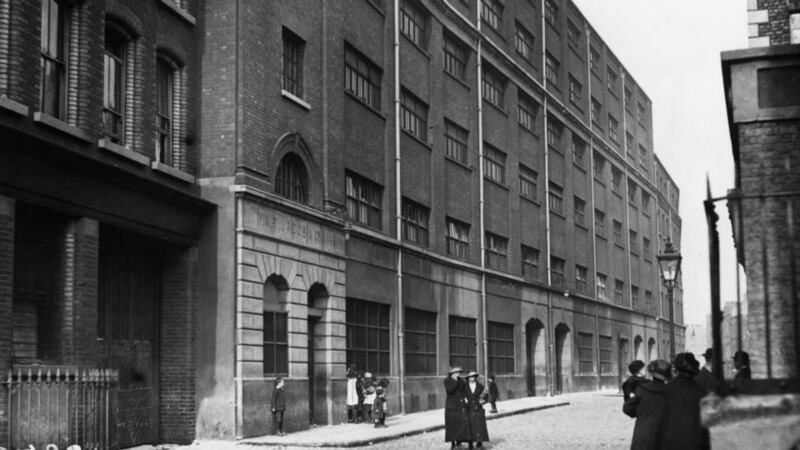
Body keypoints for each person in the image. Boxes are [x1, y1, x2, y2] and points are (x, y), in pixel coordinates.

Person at [660, 353, 710, 450]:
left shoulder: (669, 388)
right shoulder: (698, 390)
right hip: (694, 441)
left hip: (673, 441)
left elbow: (663, 418)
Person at [623, 359, 671, 450]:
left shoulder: (642, 390)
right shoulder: (671, 392)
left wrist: (638, 411)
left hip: (643, 435)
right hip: (663, 436)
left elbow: (627, 408)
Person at [444, 366, 469, 449]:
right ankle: (453, 444)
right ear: (452, 373)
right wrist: (455, 381)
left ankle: (459, 442)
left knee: (459, 425)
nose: (458, 374)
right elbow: (449, 391)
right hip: (451, 407)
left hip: (460, 406)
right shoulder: (447, 380)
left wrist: (466, 399)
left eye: (459, 372)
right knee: (451, 426)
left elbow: (464, 390)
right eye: (456, 372)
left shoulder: (461, 380)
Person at [463, 371, 490, 449]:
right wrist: (464, 400)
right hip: (469, 408)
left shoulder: (480, 386)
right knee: (470, 427)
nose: (472, 378)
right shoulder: (465, 387)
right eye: (470, 377)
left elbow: (485, 395)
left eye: (474, 377)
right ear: (468, 378)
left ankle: (479, 443)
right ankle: (470, 443)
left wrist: (484, 400)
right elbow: (462, 395)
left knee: (479, 426)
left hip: (478, 408)